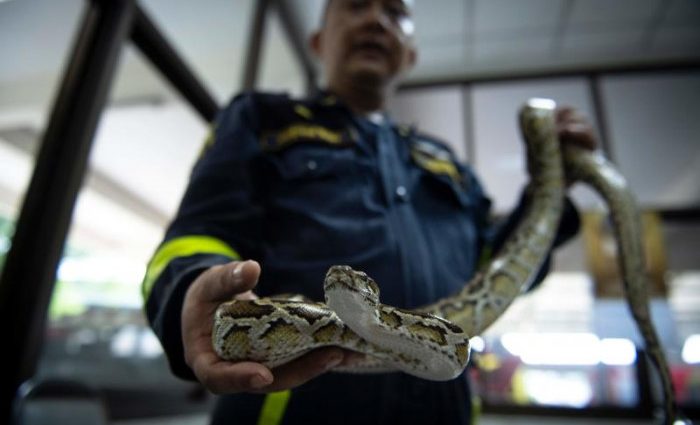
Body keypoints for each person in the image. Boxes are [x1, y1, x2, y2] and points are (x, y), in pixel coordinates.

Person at [141, 0, 597, 424]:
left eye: (395, 12)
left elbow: (493, 271)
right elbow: (199, 232)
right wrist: (190, 286)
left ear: (411, 55)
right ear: (318, 42)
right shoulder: (263, 119)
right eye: (357, 4)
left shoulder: (447, 163)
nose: (377, 19)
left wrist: (547, 189)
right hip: (295, 405)